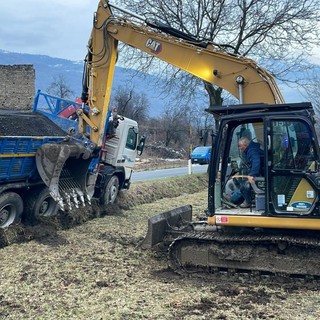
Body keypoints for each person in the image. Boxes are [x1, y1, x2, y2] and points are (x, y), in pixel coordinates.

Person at [229, 136, 264, 208]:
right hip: (261, 172)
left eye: (240, 146)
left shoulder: (252, 150)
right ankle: (233, 197)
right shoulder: (252, 148)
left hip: (262, 174)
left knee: (245, 186)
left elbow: (256, 162)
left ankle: (247, 202)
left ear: (246, 145)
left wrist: (252, 175)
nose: (240, 148)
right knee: (242, 184)